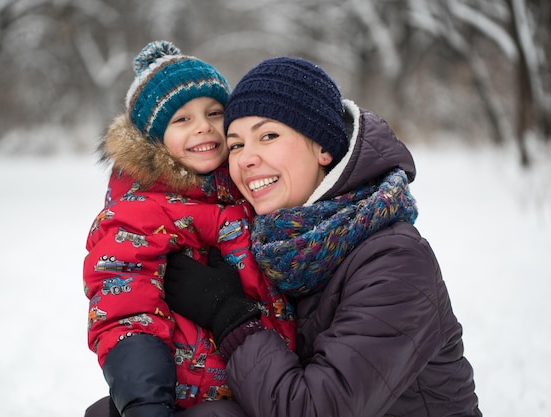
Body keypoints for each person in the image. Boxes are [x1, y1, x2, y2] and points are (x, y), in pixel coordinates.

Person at [163, 56, 482, 417]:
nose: (246, 159)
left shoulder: (396, 262)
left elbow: (315, 409)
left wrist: (230, 317)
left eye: (268, 136)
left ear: (323, 149)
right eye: (235, 145)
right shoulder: (270, 245)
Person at [83, 43, 295, 417]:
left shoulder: (247, 191)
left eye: (214, 112)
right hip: (192, 400)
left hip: (266, 383)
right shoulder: (138, 213)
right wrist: (145, 402)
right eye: (182, 120)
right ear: (152, 138)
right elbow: (126, 311)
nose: (203, 127)